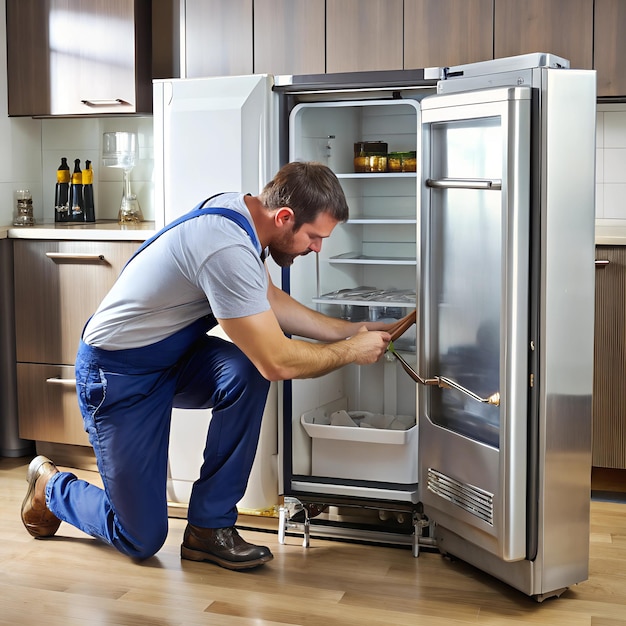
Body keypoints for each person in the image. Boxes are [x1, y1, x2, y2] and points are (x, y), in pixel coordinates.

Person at [21, 161, 415, 571]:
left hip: (171, 357)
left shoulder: (243, 214)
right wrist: (352, 351)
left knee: (243, 372)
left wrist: (353, 329)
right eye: (314, 237)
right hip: (117, 375)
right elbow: (277, 361)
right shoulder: (225, 246)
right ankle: (52, 487)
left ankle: (209, 528)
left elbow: (268, 300)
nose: (317, 249)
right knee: (140, 537)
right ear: (284, 218)